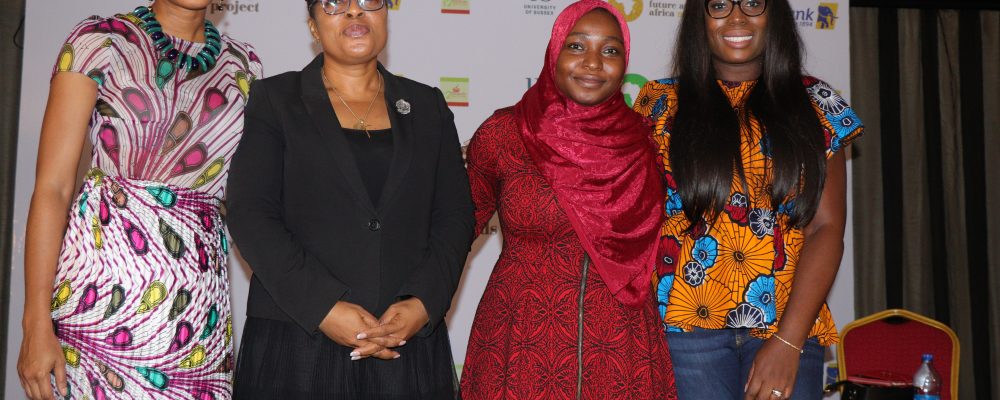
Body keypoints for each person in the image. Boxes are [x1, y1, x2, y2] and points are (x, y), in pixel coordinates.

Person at [225, 0, 474, 398]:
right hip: (298, 337)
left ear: (385, 14)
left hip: (403, 340)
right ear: (313, 26)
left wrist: (423, 302)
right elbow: (250, 212)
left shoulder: (428, 105)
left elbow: (455, 216)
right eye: (334, 4)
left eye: (368, 2)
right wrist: (324, 307)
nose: (354, 12)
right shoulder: (276, 99)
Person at [16, 1, 262, 399]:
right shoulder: (99, 41)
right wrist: (34, 324)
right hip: (98, 298)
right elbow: (53, 188)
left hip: (197, 306)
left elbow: (250, 200)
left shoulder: (243, 67)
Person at [632, 0, 865, 399]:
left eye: (753, 3)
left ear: (774, 15)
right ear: (700, 18)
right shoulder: (659, 103)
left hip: (789, 326)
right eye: (719, 5)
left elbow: (826, 228)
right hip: (685, 333)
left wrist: (788, 341)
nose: (737, 17)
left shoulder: (817, 103)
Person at [460, 1, 677, 399]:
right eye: (576, 46)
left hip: (621, 347)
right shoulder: (505, 133)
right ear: (553, 52)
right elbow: (454, 230)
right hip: (519, 341)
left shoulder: (648, 141)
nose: (593, 63)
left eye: (610, 50)